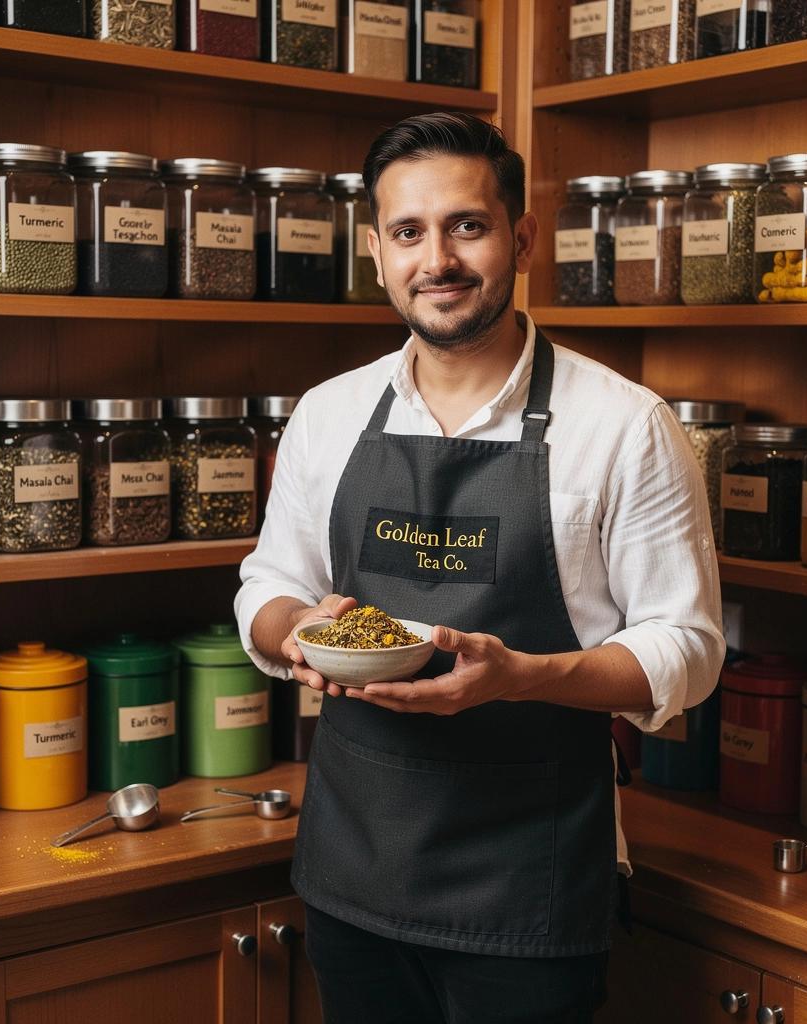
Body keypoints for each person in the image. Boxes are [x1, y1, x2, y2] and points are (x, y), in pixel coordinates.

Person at [235, 112, 724, 1023]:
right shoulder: (329, 415)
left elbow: (687, 648)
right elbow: (267, 584)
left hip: (529, 881)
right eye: (409, 233)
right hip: (355, 865)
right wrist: (293, 631)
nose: (439, 261)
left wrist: (523, 678)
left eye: (468, 225)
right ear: (375, 250)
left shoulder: (625, 425)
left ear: (521, 239)